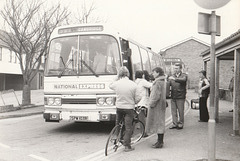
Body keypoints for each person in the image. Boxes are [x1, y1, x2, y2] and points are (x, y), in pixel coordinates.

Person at [109, 66, 141, 152]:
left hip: (119, 107)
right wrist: (134, 102)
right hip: (129, 108)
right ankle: (127, 146)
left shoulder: (117, 84)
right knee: (128, 127)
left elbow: (110, 85)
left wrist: (117, 76)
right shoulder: (133, 84)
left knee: (118, 123)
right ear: (128, 74)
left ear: (120, 74)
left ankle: (115, 137)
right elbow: (138, 97)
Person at [146, 67, 166, 148]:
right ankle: (160, 141)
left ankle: (160, 142)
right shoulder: (162, 81)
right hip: (161, 104)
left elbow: (156, 95)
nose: (153, 74)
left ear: (158, 73)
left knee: (158, 123)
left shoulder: (157, 83)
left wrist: (151, 104)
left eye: (154, 72)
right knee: (160, 122)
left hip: (157, 105)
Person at [168, 63, 188, 130]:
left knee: (180, 111)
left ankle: (181, 123)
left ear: (180, 69)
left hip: (180, 96)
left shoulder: (184, 75)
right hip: (173, 96)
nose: (175, 70)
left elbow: (183, 80)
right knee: (173, 111)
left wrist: (174, 79)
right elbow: (168, 85)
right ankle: (174, 123)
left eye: (176, 68)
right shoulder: (172, 76)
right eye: (174, 68)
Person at [135, 70, 152, 136]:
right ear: (142, 75)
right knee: (143, 118)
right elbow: (151, 85)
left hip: (137, 101)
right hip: (143, 101)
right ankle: (144, 132)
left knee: (140, 117)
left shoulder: (135, 81)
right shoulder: (142, 81)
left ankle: (142, 131)